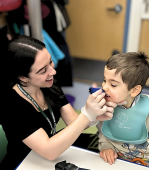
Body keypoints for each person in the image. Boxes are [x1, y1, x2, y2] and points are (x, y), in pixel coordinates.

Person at [0, 35, 117, 169]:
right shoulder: (11, 104)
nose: (53, 71)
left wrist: (94, 116)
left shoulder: (49, 86)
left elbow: (73, 122)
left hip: (48, 157)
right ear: (23, 77)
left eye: (50, 62)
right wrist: (86, 115)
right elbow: (49, 151)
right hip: (24, 162)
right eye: (43, 70)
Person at [97, 52, 149, 168]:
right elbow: (103, 132)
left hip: (148, 164)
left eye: (113, 85)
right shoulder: (104, 105)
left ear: (135, 90)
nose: (104, 87)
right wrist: (106, 147)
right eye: (104, 80)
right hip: (114, 162)